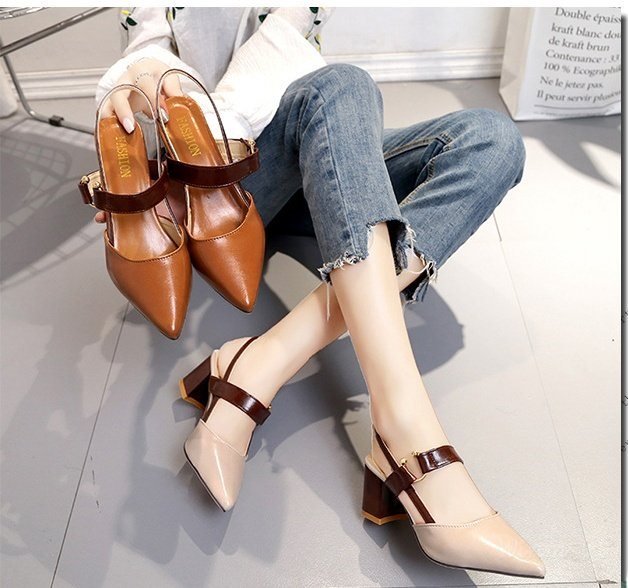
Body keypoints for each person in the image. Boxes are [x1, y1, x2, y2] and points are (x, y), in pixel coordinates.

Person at [94, 7, 545, 577]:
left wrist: (181, 94)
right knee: (342, 84)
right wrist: (140, 82)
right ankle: (406, 430)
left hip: (317, 150)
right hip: (218, 186)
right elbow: (143, 55)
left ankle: (262, 360)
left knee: (493, 140)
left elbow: (287, 41)